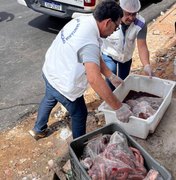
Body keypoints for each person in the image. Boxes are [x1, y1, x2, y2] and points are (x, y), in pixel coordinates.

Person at [29, 0, 133, 140]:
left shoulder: (85, 20)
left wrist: (110, 75)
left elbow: (94, 55)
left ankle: (38, 129)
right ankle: (78, 150)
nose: (114, 32)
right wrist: (118, 107)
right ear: (108, 22)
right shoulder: (89, 41)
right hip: (63, 81)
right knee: (79, 113)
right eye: (115, 28)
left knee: (50, 97)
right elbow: (94, 79)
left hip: (50, 71)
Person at [101, 0, 153, 91]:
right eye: (128, 14)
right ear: (120, 10)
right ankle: (113, 96)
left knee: (124, 80)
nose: (131, 18)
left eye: (134, 14)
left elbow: (142, 46)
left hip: (126, 56)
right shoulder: (110, 20)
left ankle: (122, 96)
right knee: (111, 75)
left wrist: (146, 65)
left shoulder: (141, 23)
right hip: (109, 53)